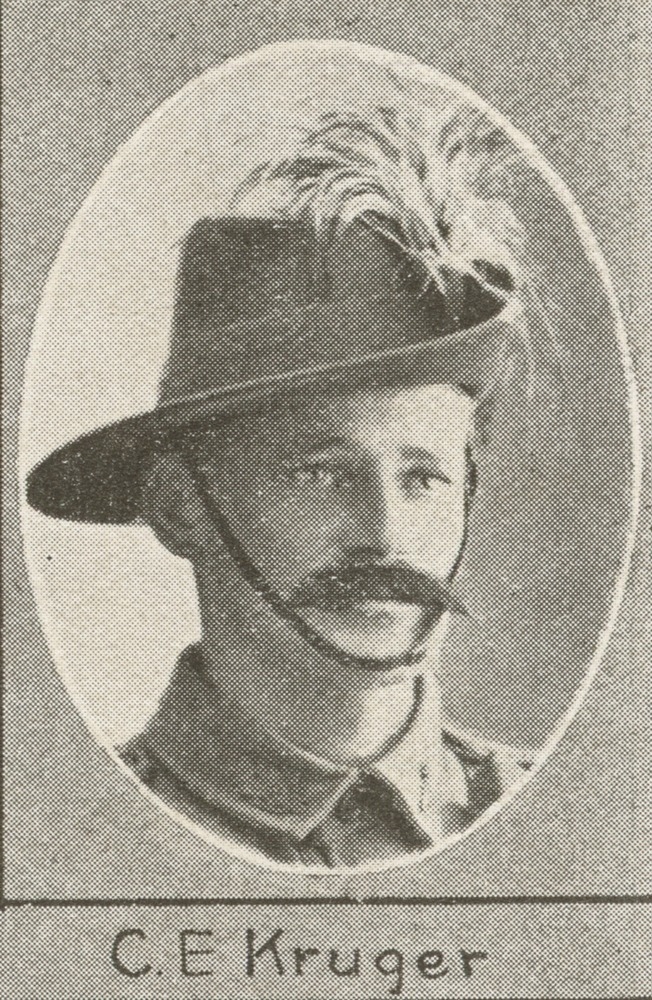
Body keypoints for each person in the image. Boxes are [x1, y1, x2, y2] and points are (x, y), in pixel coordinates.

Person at [26, 107, 534, 868]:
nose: (387, 535)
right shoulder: (81, 842)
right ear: (178, 506)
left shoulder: (548, 817)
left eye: (424, 479)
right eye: (321, 474)